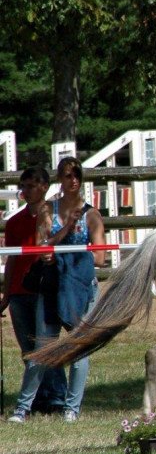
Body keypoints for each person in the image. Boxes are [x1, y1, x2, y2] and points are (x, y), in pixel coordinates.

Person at [8, 158, 106, 423]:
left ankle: (71, 408)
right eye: (66, 175)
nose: (72, 180)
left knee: (78, 349)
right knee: (43, 346)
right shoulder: (48, 211)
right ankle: (22, 407)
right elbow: (42, 247)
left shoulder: (92, 215)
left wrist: (69, 251)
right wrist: (65, 232)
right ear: (60, 180)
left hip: (80, 288)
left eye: (76, 175)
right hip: (51, 285)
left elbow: (100, 258)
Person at [1, 167, 67, 414]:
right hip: (20, 291)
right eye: (24, 186)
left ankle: (57, 396)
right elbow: (11, 261)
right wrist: (6, 294)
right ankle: (39, 396)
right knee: (28, 349)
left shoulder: (54, 218)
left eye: (31, 185)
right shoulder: (15, 222)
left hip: (44, 289)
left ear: (44, 187)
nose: (26, 191)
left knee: (47, 345)